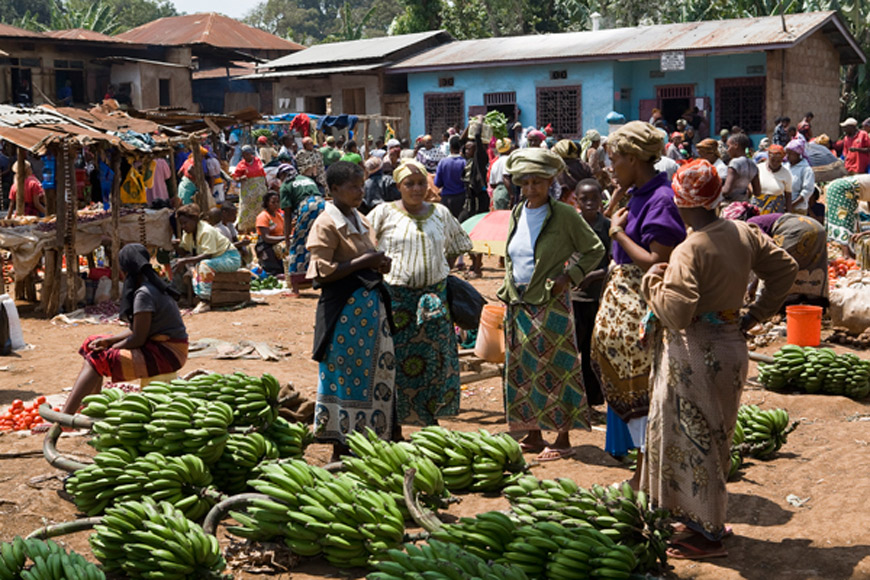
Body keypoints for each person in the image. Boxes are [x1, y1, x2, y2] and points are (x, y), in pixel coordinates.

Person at [641, 159, 797, 560]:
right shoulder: (742, 232)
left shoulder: (690, 248)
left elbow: (677, 312)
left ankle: (706, 534)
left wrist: (652, 284)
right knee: (714, 438)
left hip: (694, 354)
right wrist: (755, 314)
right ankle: (697, 518)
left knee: (691, 440)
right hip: (731, 346)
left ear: (681, 202)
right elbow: (785, 268)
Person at [590, 121, 686, 487]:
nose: (610, 167)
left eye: (615, 160)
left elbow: (657, 261)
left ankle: (645, 475)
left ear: (633, 158)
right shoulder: (639, 194)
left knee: (644, 389)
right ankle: (642, 472)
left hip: (641, 306)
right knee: (635, 389)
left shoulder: (660, 199)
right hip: (623, 303)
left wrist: (617, 233)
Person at [498, 149, 604, 461]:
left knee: (556, 369)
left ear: (549, 183)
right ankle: (532, 433)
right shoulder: (518, 212)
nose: (531, 188)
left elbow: (594, 249)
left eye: (538, 182)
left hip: (550, 302)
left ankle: (562, 438)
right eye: (525, 183)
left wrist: (569, 277)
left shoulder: (565, 215)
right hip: (518, 302)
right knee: (523, 369)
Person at [369, 160, 473, 431]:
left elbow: (456, 246)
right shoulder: (383, 213)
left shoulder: (441, 213)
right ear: (398, 186)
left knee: (434, 361)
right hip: (396, 302)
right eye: (409, 184)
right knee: (394, 360)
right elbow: (366, 247)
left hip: (434, 300)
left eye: (421, 183)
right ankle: (394, 424)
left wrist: (437, 273)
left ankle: (429, 422)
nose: (416, 189)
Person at [307, 161, 395, 460]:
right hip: (343, 314)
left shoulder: (361, 219)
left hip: (369, 313)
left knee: (374, 375)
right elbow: (322, 273)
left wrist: (379, 264)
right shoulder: (326, 224)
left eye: (361, 186)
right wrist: (365, 262)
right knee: (344, 376)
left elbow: (365, 257)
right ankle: (342, 445)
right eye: (353, 187)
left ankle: (372, 439)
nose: (360, 192)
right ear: (334, 189)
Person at [62, 244, 188, 414]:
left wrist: (111, 349)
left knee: (98, 358)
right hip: (164, 346)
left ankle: (64, 418)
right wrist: (108, 341)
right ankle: (92, 405)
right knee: (91, 343)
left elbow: (138, 338)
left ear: (125, 270)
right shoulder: (150, 286)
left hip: (168, 353)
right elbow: (137, 329)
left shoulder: (144, 293)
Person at [571, 179, 610, 409]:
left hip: (598, 297)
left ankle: (592, 401)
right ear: (576, 200)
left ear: (600, 200)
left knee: (591, 351)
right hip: (575, 297)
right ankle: (572, 399)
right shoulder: (572, 225)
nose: (589, 203)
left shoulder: (607, 227)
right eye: (584, 199)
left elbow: (614, 263)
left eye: (594, 198)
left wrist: (593, 276)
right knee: (572, 348)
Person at [747, 212, 828, 305]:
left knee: (777, 267)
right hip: (818, 228)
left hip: (798, 231)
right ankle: (813, 302)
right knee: (812, 266)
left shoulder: (749, 225)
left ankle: (767, 305)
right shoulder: (764, 220)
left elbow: (770, 243)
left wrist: (754, 286)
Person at [175, 203, 242, 308]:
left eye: (185, 223)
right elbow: (185, 252)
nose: (183, 227)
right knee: (176, 263)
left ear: (195, 220)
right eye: (181, 224)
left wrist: (185, 261)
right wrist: (176, 246)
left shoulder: (206, 231)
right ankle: (182, 296)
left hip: (230, 258)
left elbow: (208, 255)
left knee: (204, 265)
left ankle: (205, 300)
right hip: (215, 260)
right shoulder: (188, 233)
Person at [281, 155, 326, 296]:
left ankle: (295, 289)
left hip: (308, 207)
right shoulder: (306, 179)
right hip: (323, 204)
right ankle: (322, 279)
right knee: (319, 242)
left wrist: (287, 239)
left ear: (283, 175)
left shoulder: (286, 185)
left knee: (298, 245)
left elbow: (287, 215)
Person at [824, 175, 870, 250]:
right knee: (845, 221)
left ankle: (851, 250)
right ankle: (846, 254)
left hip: (836, 187)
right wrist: (865, 233)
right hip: (842, 189)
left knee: (851, 220)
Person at [232, 145, 268, 233]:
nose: (245, 156)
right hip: (248, 192)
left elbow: (263, 173)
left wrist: (266, 185)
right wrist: (240, 178)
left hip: (260, 190)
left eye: (247, 154)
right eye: (243, 154)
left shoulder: (258, 161)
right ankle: (246, 229)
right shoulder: (241, 164)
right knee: (246, 209)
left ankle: (260, 227)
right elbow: (235, 177)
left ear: (251, 154)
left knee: (260, 207)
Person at [720, 133, 760, 204]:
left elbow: (727, 190)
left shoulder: (735, 163)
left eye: (728, 146)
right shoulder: (753, 164)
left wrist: (714, 193)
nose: (727, 150)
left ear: (736, 145)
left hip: (731, 205)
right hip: (744, 205)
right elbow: (757, 192)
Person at [434, 135, 467, 219]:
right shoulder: (464, 162)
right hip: (461, 198)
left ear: (450, 147)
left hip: (446, 198)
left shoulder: (443, 162)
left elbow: (437, 183)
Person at [754, 144, 793, 215]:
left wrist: (789, 214)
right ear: (768, 156)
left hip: (776, 210)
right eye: (773, 160)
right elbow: (750, 185)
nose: (775, 163)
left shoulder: (786, 174)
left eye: (778, 161)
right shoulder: (758, 168)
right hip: (758, 208)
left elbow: (788, 196)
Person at [255, 191, 286, 277]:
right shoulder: (263, 216)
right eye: (273, 202)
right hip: (266, 245)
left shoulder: (278, 216)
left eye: (277, 202)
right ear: (267, 203)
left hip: (278, 243)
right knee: (272, 271)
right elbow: (266, 238)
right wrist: (285, 238)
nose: (276, 204)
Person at [785, 139, 815, 215]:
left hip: (798, 209)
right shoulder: (786, 166)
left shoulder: (806, 169)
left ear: (798, 154)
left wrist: (792, 205)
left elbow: (807, 191)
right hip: (784, 207)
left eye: (790, 154)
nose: (787, 156)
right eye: (787, 153)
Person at [490, 138, 513, 210]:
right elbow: (505, 177)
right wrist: (511, 195)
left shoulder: (495, 163)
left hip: (497, 192)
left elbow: (492, 184)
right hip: (506, 190)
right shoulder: (508, 160)